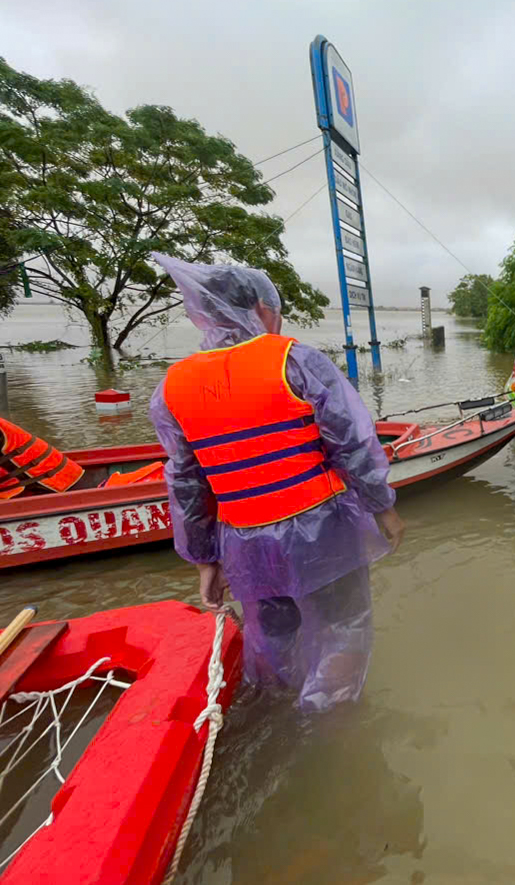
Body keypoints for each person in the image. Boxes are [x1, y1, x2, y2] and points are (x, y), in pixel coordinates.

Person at [147, 254, 405, 712]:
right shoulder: (296, 360)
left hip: (245, 543)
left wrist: (206, 559)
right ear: (263, 310)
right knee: (344, 627)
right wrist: (382, 506)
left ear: (201, 316)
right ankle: (329, 724)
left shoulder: (172, 386)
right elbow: (352, 444)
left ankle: (274, 714)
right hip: (321, 529)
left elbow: (186, 484)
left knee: (274, 633)